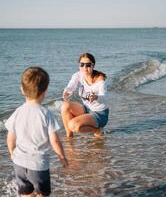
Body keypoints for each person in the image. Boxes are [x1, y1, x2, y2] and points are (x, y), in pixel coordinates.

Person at [6, 67, 68, 197]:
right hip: (38, 165)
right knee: (42, 193)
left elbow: (11, 137)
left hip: (19, 163)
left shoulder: (17, 112)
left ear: (22, 90)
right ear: (45, 91)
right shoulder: (46, 114)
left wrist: (12, 152)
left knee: (26, 193)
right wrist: (62, 157)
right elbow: (55, 141)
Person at [61, 53, 109, 138]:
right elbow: (71, 86)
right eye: (82, 64)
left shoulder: (100, 80)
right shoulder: (78, 75)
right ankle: (69, 138)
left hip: (99, 114)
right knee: (65, 106)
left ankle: (97, 130)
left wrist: (96, 97)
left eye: (88, 65)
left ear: (93, 66)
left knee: (72, 125)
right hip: (86, 109)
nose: (84, 67)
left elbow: (104, 98)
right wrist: (67, 91)